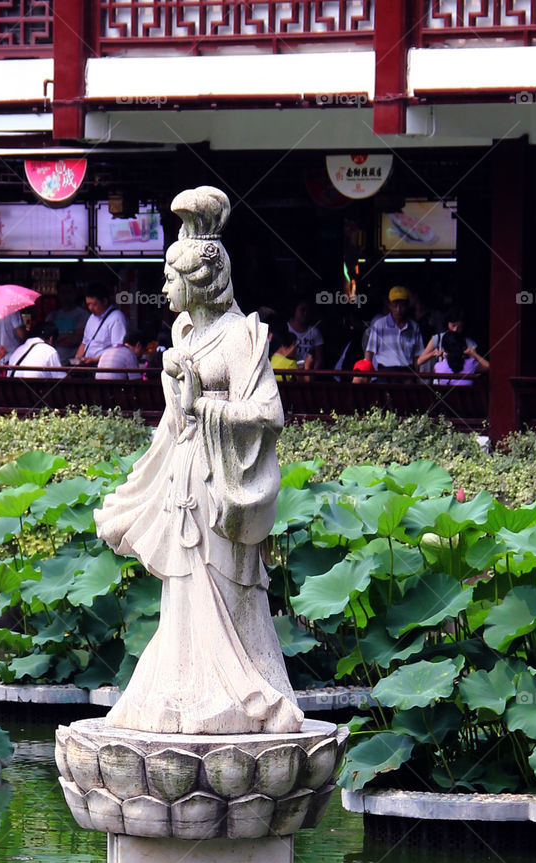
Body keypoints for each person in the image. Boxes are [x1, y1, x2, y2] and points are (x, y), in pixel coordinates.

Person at [94, 185, 303, 735]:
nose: (162, 286)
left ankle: (236, 690)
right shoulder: (184, 333)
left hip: (222, 480)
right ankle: (182, 687)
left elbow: (267, 412)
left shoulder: (239, 335)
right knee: (184, 585)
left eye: (171, 277)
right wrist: (178, 396)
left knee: (222, 581)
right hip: (186, 473)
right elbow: (176, 418)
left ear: (199, 281)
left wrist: (202, 403)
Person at [364, 286, 424, 372]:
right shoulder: (379, 325)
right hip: (385, 372)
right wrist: (368, 375)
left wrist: (418, 377)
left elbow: (417, 356)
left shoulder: (414, 327)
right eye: (395, 305)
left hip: (407, 372)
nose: (398, 309)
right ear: (389, 305)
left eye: (402, 305)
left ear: (407, 305)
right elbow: (369, 352)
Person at [415, 307, 487, 374]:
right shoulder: (438, 339)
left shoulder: (469, 342)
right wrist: (433, 353)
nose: (455, 329)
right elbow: (418, 361)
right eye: (453, 325)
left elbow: (482, 366)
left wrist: (474, 354)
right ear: (447, 323)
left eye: (459, 327)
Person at [73, 284, 127, 366]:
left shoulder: (116, 318)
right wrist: (77, 359)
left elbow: (118, 349)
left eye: (94, 304)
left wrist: (94, 360)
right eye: (88, 304)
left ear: (104, 301)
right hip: (87, 367)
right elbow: (85, 342)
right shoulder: (91, 317)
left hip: (105, 366)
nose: (90, 308)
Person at [47, 281, 88, 366]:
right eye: (63, 293)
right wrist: (68, 336)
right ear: (58, 295)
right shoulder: (52, 315)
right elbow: (47, 340)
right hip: (53, 363)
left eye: (69, 292)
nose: (66, 296)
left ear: (75, 293)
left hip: (73, 365)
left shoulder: (82, 315)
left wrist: (57, 338)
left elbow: (77, 339)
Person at [287, 298, 324, 369]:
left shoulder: (315, 332)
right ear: (294, 311)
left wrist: (312, 375)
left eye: (308, 310)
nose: (305, 313)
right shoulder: (286, 328)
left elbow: (318, 358)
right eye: (302, 310)